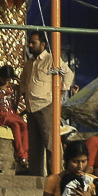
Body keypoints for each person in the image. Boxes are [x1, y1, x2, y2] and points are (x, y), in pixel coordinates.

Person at [21, 31, 72, 176]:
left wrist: (60, 92)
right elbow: (24, 82)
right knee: (34, 145)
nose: (30, 45)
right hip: (31, 108)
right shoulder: (29, 63)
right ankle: (35, 176)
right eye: (29, 43)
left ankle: (54, 176)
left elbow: (68, 74)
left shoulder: (52, 60)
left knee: (51, 144)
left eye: (34, 43)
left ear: (43, 44)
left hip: (46, 106)